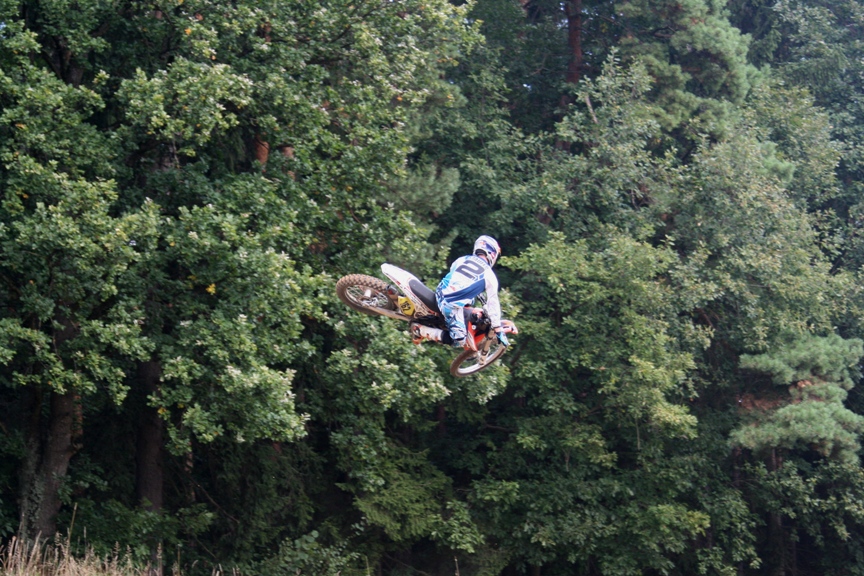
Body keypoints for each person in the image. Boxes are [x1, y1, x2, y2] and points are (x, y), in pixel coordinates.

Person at [411, 235, 509, 350]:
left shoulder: (463, 259)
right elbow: (493, 303)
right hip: (450, 305)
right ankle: (420, 330)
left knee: (470, 301)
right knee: (459, 340)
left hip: (440, 291)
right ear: (492, 254)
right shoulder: (489, 275)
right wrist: (498, 328)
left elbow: (457, 275)